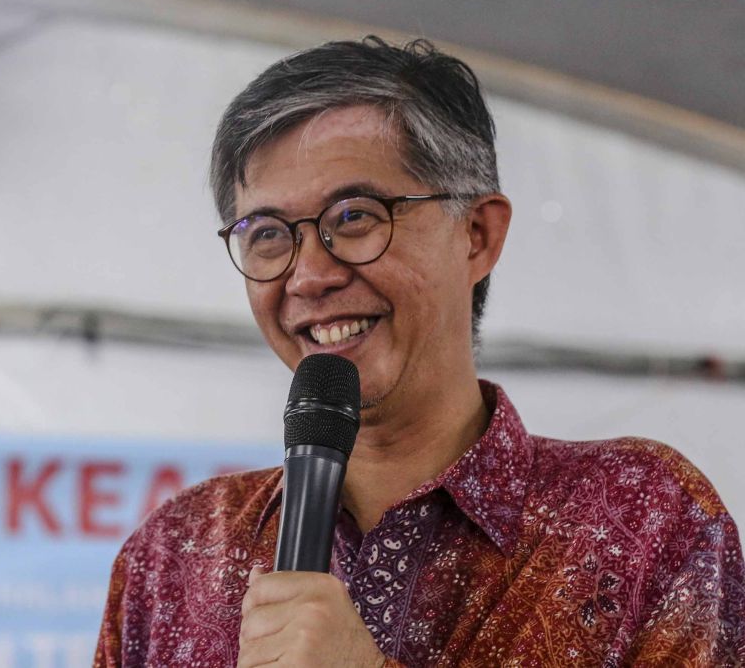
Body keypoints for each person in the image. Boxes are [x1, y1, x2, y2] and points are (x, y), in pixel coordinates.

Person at [95, 37, 745, 666]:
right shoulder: (175, 555)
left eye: (354, 216)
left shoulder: (641, 517)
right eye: (267, 233)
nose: (308, 275)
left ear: (477, 234)